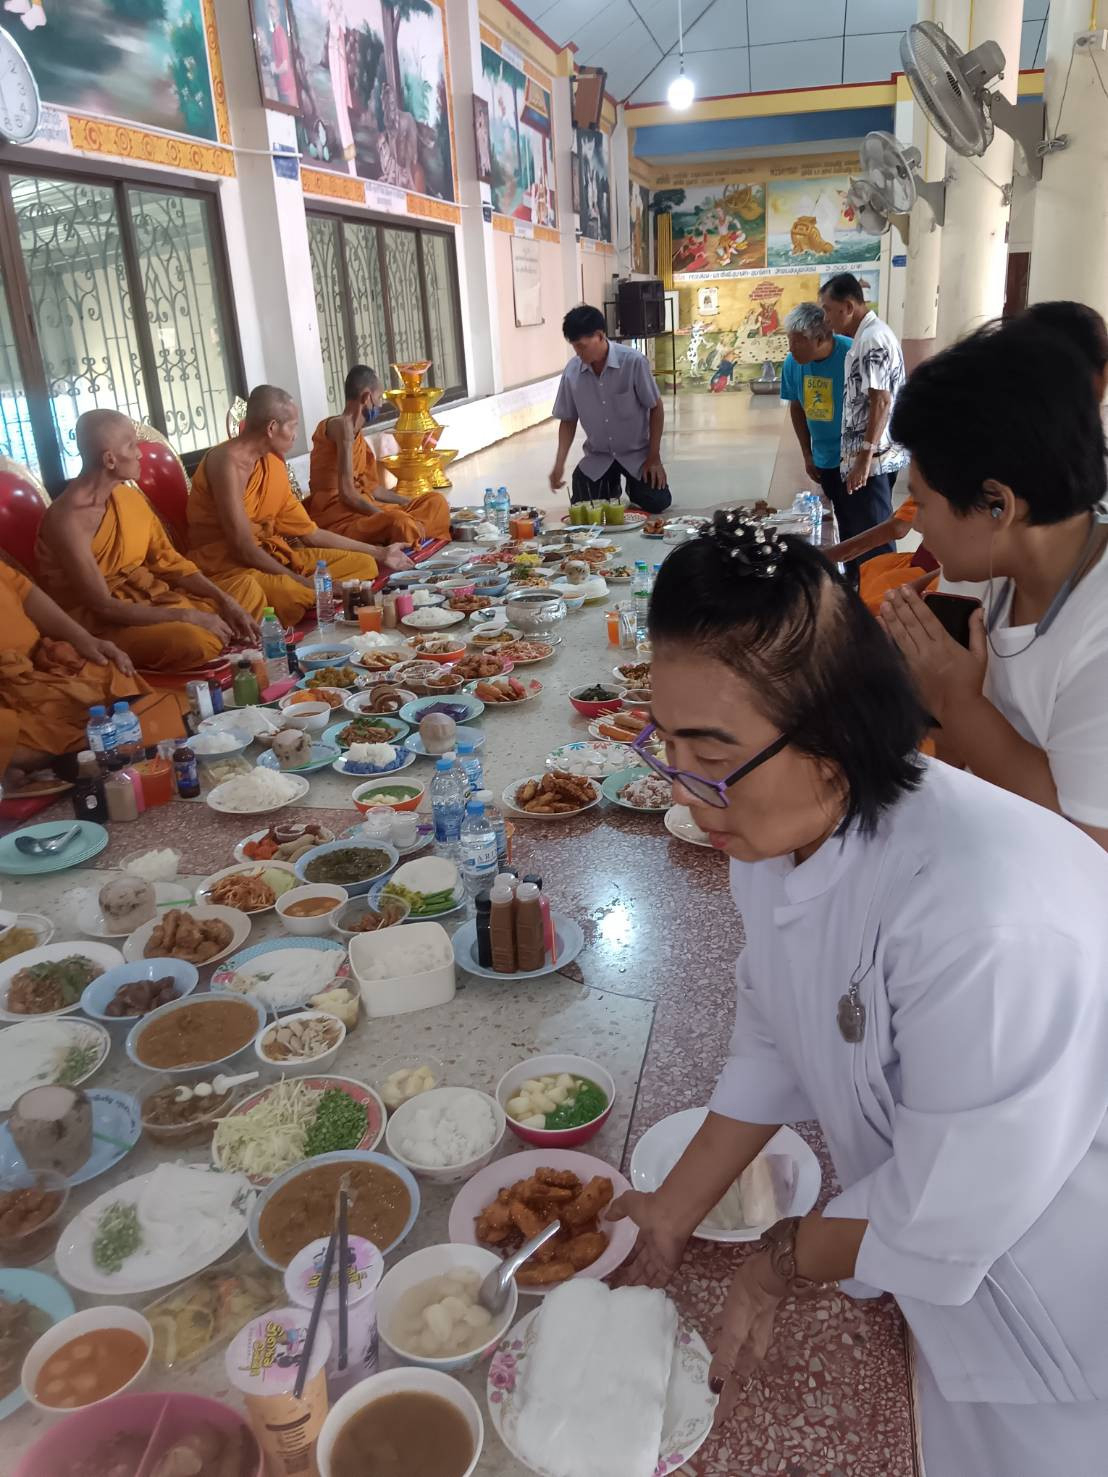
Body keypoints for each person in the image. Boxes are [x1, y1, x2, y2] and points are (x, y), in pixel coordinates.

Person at [607, 511, 1108, 1475]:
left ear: (832, 742)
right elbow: (774, 1033)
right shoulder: (779, 834)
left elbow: (943, 1202)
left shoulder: (982, 922)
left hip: (1063, 1302)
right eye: (667, 744)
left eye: (713, 758)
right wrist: (671, 1211)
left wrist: (782, 1256)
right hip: (941, 1268)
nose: (683, 785)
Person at [881, 313, 1108, 850]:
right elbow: (948, 748)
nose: (915, 522)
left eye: (924, 501)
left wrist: (956, 699)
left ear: (997, 504)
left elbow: (1087, 846)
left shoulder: (1097, 634)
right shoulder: (987, 577)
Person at [36, 410, 262, 671]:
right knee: (194, 640)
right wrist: (189, 615)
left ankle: (220, 635)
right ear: (110, 459)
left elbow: (169, 562)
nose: (140, 453)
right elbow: (103, 607)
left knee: (247, 592)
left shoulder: (127, 498)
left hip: (154, 599)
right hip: (107, 625)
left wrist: (224, 600)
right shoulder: (68, 520)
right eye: (132, 446)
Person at [187, 385, 411, 627]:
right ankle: (304, 594)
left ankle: (310, 589)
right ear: (272, 428)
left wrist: (380, 552)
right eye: (292, 426)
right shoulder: (225, 462)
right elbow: (242, 547)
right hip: (230, 566)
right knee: (295, 595)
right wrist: (305, 582)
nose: (296, 435)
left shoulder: (271, 464)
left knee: (364, 564)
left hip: (273, 555)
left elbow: (310, 533)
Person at [0, 557, 151, 787]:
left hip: (41, 664)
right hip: (6, 691)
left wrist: (83, 639)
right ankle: (36, 757)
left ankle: (57, 753)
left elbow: (25, 592)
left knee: (111, 668)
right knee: (8, 731)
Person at [817, 273, 907, 570]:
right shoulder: (865, 337)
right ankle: (863, 592)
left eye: (829, 310)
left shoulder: (873, 339)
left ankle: (879, 601)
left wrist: (864, 458)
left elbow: (881, 400)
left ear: (849, 306)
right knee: (860, 534)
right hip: (866, 458)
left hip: (873, 461)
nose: (827, 318)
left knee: (874, 539)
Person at [549, 304, 672, 514]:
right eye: (574, 347)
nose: (578, 353)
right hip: (599, 455)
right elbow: (568, 420)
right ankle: (610, 486)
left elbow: (655, 408)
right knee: (586, 507)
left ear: (599, 335)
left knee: (657, 502)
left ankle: (635, 487)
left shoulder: (633, 362)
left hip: (637, 454)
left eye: (582, 346)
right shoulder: (572, 372)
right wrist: (559, 464)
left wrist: (654, 457)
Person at [306, 366, 450, 544]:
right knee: (399, 522)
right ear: (367, 398)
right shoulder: (340, 426)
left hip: (365, 509)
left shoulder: (359, 439)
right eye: (379, 398)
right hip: (338, 517)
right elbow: (347, 495)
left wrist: (408, 502)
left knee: (435, 501)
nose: (381, 404)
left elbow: (374, 489)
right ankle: (412, 534)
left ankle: (413, 534)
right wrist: (384, 516)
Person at [779, 300, 855, 554]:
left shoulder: (852, 356)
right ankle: (848, 576)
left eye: (798, 341)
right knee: (836, 519)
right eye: (790, 340)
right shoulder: (793, 363)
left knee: (862, 523)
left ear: (821, 338)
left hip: (857, 458)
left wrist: (865, 456)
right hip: (824, 457)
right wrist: (807, 454)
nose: (791, 348)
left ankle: (868, 578)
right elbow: (797, 406)